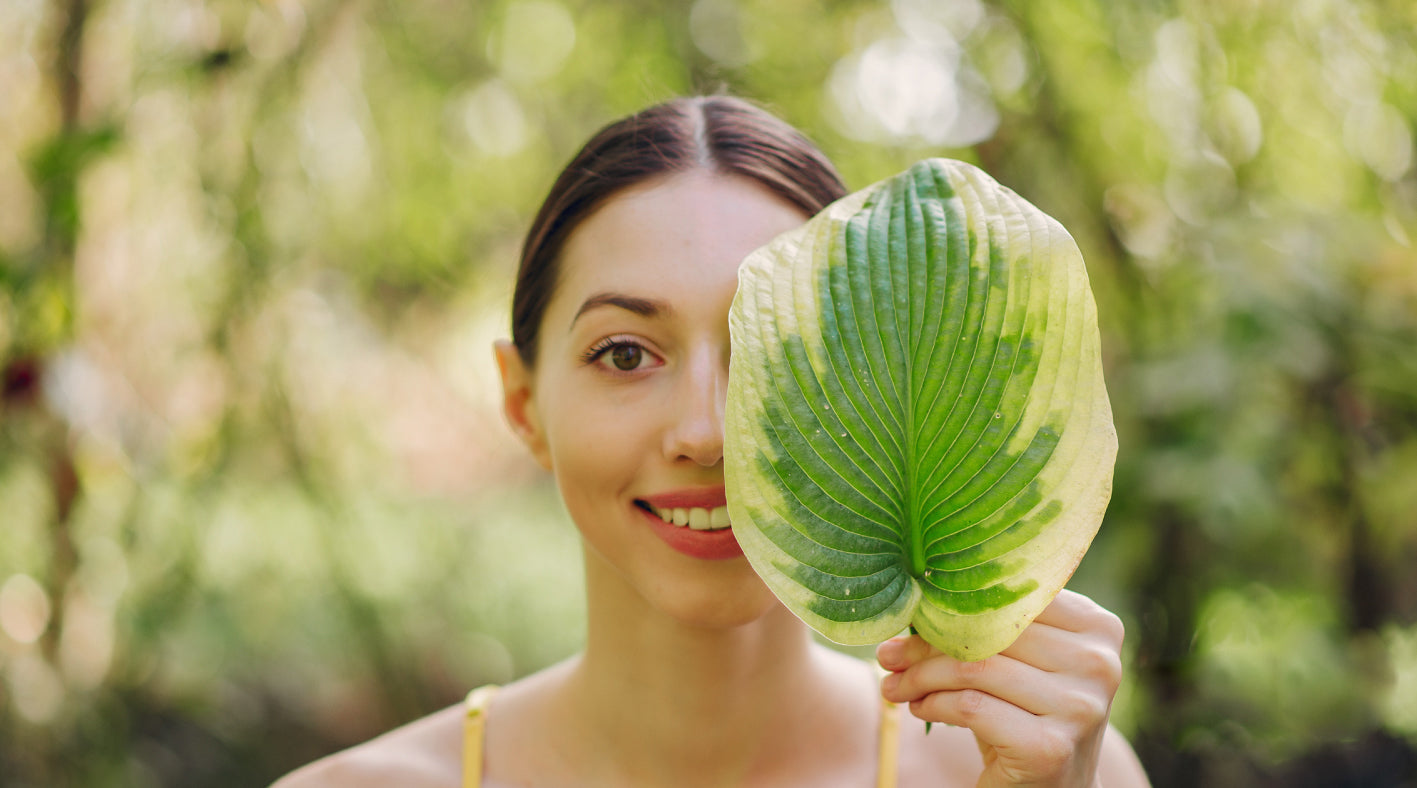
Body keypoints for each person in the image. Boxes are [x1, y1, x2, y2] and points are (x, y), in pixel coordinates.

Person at [273, 95, 1151, 788]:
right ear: (523, 403)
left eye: (770, 357)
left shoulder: (1061, 775)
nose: (702, 432)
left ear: (876, 397)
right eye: (624, 353)